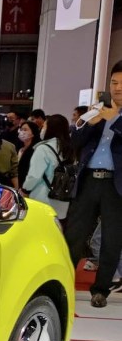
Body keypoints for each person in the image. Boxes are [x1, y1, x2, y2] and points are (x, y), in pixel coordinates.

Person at [65, 60, 122, 308]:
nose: (118, 88)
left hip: (116, 186)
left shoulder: (116, 115)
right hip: (88, 180)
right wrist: (91, 123)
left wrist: (117, 119)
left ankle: (100, 290)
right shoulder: (98, 108)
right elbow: (74, 140)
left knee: (112, 239)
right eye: (114, 82)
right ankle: (64, 282)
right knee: (74, 235)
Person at [23, 114, 71, 221]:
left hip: (43, 197)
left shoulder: (43, 148)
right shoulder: (70, 148)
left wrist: (24, 190)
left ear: (51, 128)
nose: (42, 129)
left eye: (44, 126)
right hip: (63, 199)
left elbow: (34, 176)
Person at [16, 120, 41, 185]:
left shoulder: (35, 150)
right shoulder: (20, 149)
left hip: (27, 185)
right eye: (21, 129)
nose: (22, 132)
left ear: (33, 133)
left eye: (25, 130)